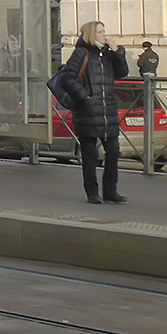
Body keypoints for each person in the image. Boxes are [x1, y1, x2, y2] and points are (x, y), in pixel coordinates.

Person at [59, 21, 130, 204]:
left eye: (104, 31)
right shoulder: (82, 53)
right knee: (90, 154)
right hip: (88, 111)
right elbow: (67, 77)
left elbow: (122, 72)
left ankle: (110, 190)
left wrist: (117, 52)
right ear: (92, 34)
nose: (104, 35)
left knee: (113, 151)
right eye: (100, 32)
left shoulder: (106, 54)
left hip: (108, 111)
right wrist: (85, 97)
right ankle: (92, 192)